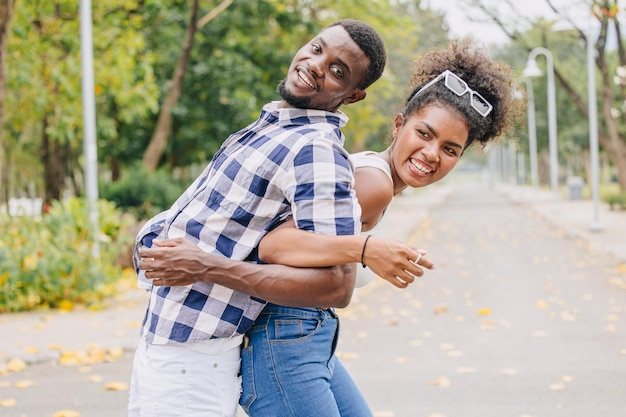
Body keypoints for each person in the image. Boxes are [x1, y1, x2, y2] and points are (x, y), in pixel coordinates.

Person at [139, 38, 520, 417]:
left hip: (310, 337)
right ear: (399, 124)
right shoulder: (376, 184)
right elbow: (274, 245)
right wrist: (366, 248)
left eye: (451, 149)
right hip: (285, 340)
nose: (432, 154)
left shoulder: (372, 175)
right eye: (425, 134)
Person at [128, 19, 418, 417]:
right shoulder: (271, 128)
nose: (317, 65)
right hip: (162, 343)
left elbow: (336, 286)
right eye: (317, 49)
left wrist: (207, 267)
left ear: (353, 96)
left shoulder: (315, 149)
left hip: (194, 357)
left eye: (338, 71)